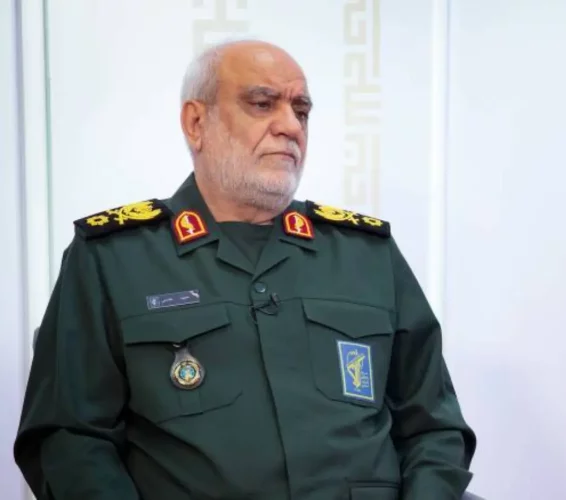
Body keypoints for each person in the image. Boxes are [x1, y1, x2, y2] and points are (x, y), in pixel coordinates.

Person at [13, 39, 476, 500]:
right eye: (262, 103)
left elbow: (434, 428)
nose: (290, 126)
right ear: (197, 123)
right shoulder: (114, 259)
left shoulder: (367, 256)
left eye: (301, 110)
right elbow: (70, 440)